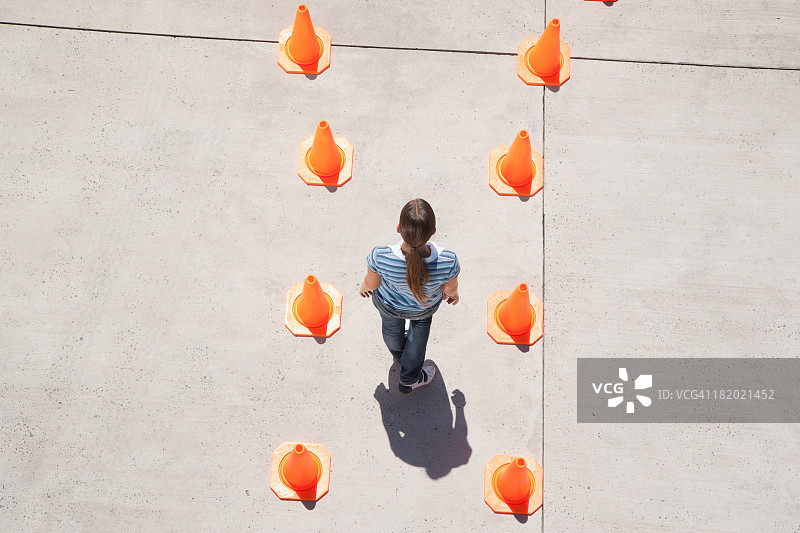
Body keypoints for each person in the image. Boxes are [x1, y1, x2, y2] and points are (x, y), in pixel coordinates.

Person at [359, 199, 460, 394]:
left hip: (388, 304)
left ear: (398, 228)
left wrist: (364, 287)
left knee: (390, 329)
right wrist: (453, 295)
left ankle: (399, 356)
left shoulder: (380, 256)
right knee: (418, 335)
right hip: (423, 309)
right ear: (433, 231)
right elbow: (450, 289)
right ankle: (410, 377)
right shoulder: (448, 260)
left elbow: (372, 284)